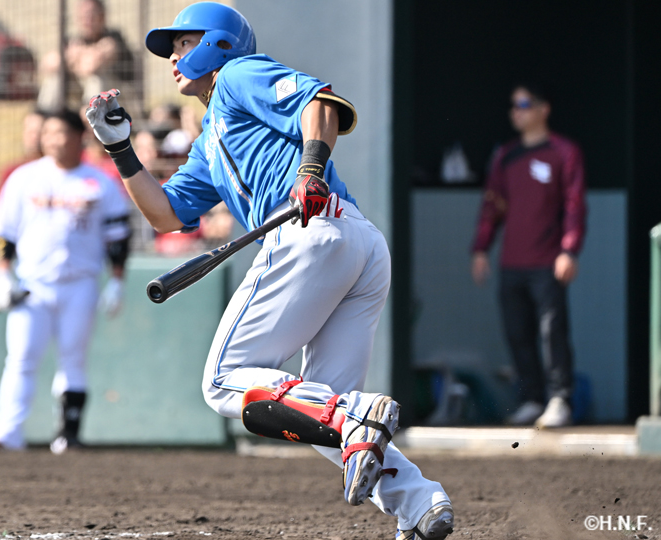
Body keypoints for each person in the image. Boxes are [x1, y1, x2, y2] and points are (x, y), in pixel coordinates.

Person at [84, 4, 454, 540]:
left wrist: (309, 168)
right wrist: (120, 149)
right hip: (355, 245)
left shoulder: (237, 74)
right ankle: (419, 505)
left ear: (219, 43)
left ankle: (355, 415)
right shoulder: (212, 135)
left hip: (313, 230)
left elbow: (321, 104)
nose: (173, 58)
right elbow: (165, 215)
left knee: (222, 381)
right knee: (320, 414)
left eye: (183, 44)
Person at [0, 109, 131, 455]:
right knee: (20, 359)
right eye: (48, 133)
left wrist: (116, 281)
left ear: (80, 137)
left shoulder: (99, 181)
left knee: (73, 359)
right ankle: (6, 433)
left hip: (81, 283)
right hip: (32, 285)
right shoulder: (24, 178)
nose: (53, 140)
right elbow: (3, 234)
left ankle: (68, 436)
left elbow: (118, 236)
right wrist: (2, 276)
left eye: (61, 133)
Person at [471, 83, 586, 429]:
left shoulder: (563, 152)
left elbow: (574, 204)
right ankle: (532, 399)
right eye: (513, 105)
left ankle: (560, 399)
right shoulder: (506, 155)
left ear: (543, 108)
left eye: (523, 104)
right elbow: (493, 206)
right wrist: (480, 248)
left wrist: (569, 249)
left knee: (553, 333)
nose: (516, 111)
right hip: (511, 263)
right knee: (517, 333)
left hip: (548, 262)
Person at [37, 0, 135, 113]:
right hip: (80, 98)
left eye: (91, 15)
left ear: (102, 17)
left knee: (95, 79)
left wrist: (74, 57)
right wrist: (74, 56)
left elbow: (91, 66)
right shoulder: (73, 40)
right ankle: (45, 118)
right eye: (83, 16)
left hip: (119, 102)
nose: (87, 20)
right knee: (55, 79)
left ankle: (92, 122)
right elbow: (48, 64)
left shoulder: (114, 37)